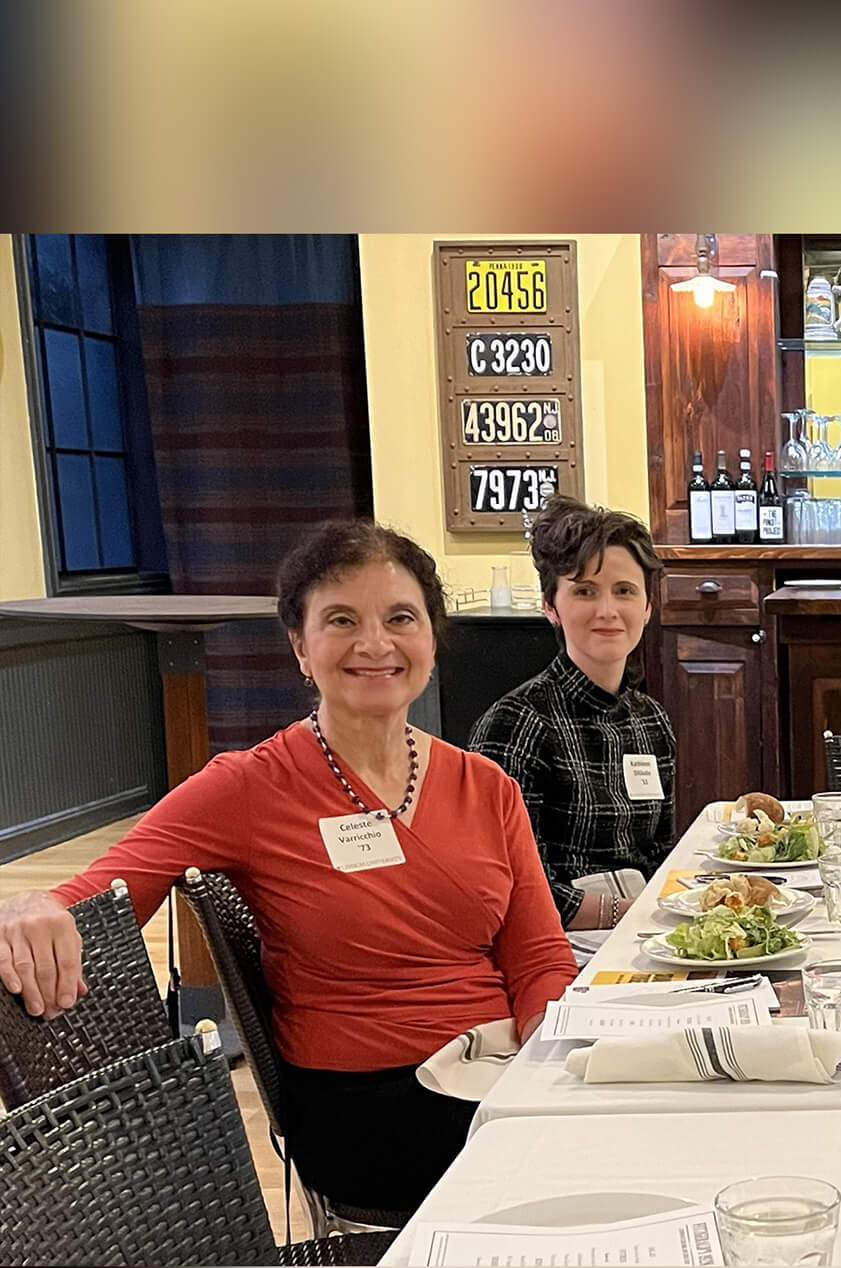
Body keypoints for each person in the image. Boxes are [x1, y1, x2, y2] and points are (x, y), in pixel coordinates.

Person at [0, 521, 577, 1214]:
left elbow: (540, 956)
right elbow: (112, 888)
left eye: (401, 617)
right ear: (301, 648)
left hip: (496, 1067)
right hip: (369, 1104)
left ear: (431, 637)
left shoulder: (484, 786)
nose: (375, 643)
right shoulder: (250, 786)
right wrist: (33, 906)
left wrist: (548, 1072)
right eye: (341, 620)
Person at [469, 499, 677, 930]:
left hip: (647, 932)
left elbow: (659, 853)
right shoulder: (515, 725)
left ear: (647, 608)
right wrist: (628, 914)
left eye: (624, 591)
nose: (607, 610)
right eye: (584, 591)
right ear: (551, 607)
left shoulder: (651, 720)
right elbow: (509, 883)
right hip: (559, 944)